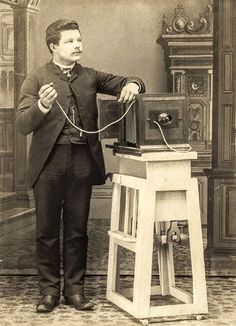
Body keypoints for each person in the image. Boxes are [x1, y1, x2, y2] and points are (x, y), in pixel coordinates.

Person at [16, 19, 145, 313]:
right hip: (48, 164)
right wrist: (42, 107)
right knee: (47, 231)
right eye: (71, 41)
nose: (78, 45)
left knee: (76, 230)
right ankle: (48, 292)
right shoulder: (36, 79)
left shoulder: (90, 76)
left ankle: (75, 291)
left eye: (79, 39)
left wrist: (133, 85)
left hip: (81, 163)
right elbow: (23, 125)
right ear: (53, 46)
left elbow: (129, 80)